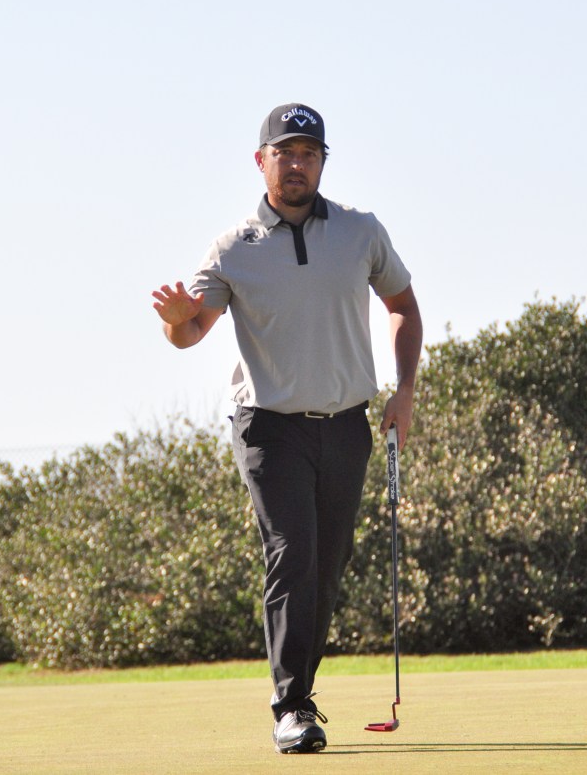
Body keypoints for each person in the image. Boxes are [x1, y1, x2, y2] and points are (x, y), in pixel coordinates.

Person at [152, 103, 422, 754]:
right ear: (261, 160)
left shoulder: (360, 232)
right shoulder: (234, 249)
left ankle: (300, 691)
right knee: (292, 554)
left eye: (308, 152)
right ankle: (292, 705)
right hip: (269, 430)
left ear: (323, 161)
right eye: (284, 152)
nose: (296, 163)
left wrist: (405, 390)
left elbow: (403, 306)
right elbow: (190, 332)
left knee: (327, 567)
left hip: (348, 427)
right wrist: (176, 319)